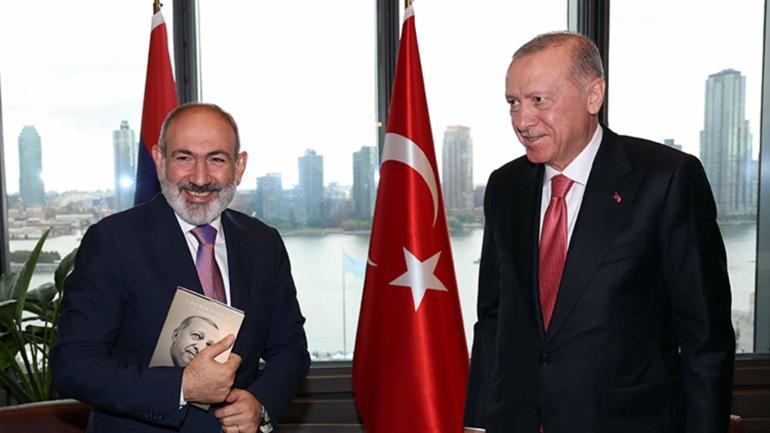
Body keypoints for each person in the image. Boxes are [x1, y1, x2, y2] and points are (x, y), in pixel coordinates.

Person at [464, 32, 735, 433]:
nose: (522, 120)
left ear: (594, 96)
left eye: (538, 100)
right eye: (513, 102)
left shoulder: (666, 179)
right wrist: (476, 422)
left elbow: (705, 336)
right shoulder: (504, 187)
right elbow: (492, 317)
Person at [52, 102, 310, 433]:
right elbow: (72, 365)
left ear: (239, 166)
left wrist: (260, 404)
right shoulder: (113, 241)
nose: (200, 178)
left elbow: (290, 348)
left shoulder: (264, 243)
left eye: (216, 159)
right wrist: (182, 387)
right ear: (160, 161)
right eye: (184, 158)